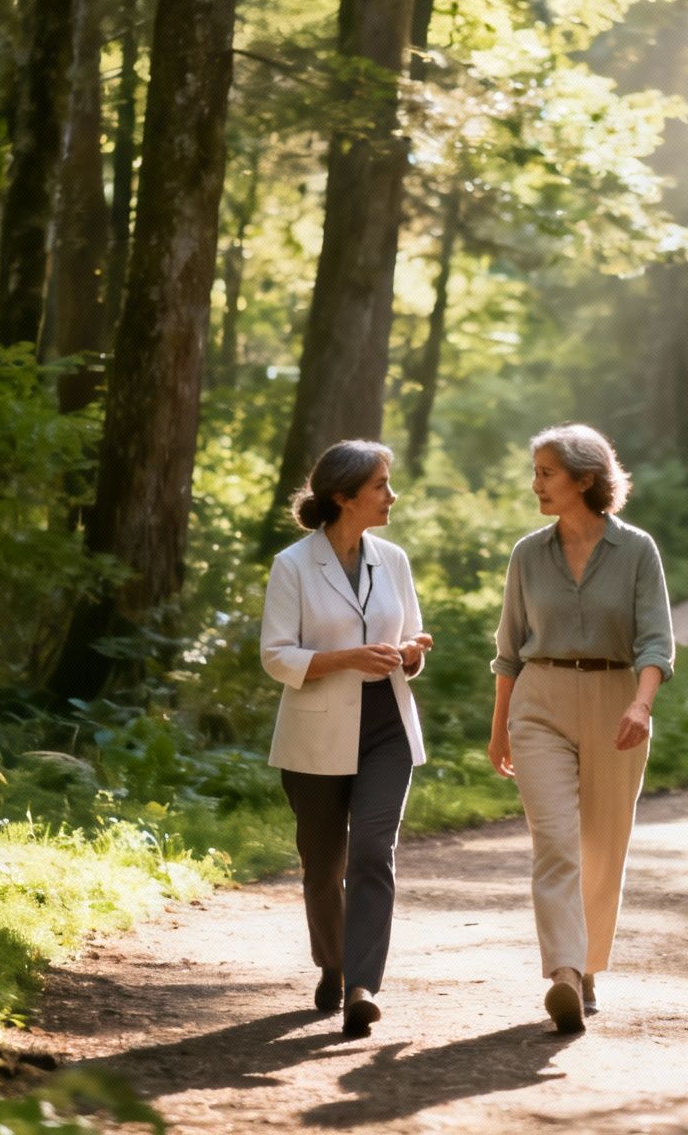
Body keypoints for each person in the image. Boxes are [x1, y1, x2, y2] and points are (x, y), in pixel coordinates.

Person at [486, 424, 673, 1034]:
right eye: (535, 472)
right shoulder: (526, 554)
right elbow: (509, 649)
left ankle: (588, 966)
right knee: (556, 842)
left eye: (546, 473)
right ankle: (564, 971)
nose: (534, 483)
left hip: (617, 699)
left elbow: (656, 641)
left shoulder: (638, 550)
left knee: (602, 845)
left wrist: (641, 706)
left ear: (585, 480)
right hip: (539, 701)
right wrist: (500, 728)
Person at [260, 440, 434, 1037]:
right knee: (322, 862)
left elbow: (409, 639)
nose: (392, 494)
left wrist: (409, 656)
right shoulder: (292, 565)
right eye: (382, 484)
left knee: (371, 852)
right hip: (316, 734)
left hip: (387, 723)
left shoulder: (395, 559)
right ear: (344, 496)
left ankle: (362, 984)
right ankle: (333, 964)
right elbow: (277, 657)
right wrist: (345, 658)